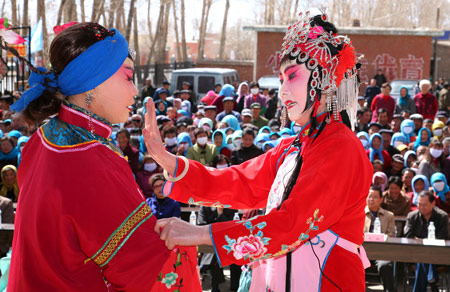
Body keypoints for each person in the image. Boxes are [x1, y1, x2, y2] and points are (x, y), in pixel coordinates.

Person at [144, 12, 373, 291]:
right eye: (281, 80)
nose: (283, 90)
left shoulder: (341, 148)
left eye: (292, 77)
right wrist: (172, 162)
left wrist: (201, 233)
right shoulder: (293, 146)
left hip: (325, 279)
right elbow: (239, 182)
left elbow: (292, 223)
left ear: (325, 81)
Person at [6, 22, 200, 291]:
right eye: (128, 77)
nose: (135, 91)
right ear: (93, 82)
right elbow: (142, 264)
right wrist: (186, 238)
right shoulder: (91, 157)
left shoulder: (41, 139)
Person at [404, 191, 448, 292]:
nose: (421, 207)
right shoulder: (412, 216)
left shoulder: (442, 216)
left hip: (437, 253)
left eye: (424, 205)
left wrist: (422, 241)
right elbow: (408, 235)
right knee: (421, 256)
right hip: (415, 253)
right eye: (419, 204)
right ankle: (432, 280)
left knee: (422, 258)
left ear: (433, 204)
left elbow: (443, 236)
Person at [364, 186, 395, 292]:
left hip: (382, 252)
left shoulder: (389, 215)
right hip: (362, 251)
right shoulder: (359, 214)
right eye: (369, 196)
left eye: (375, 197)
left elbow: (391, 234)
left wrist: (381, 237)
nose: (371, 199)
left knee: (385, 265)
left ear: (381, 199)